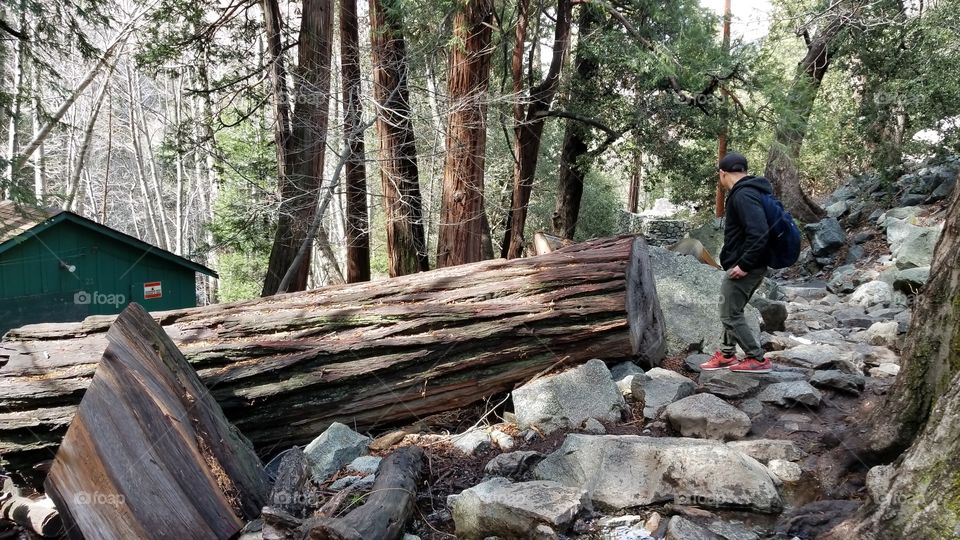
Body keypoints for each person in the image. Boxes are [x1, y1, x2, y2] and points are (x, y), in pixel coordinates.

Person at [700, 152, 773, 373]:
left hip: (746, 266)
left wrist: (744, 265)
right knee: (732, 308)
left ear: (723, 174)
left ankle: (756, 359)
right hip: (751, 263)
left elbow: (759, 232)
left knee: (729, 313)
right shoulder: (751, 190)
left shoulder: (743, 195)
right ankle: (726, 354)